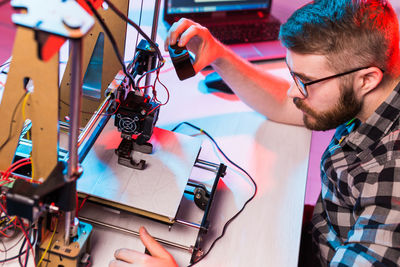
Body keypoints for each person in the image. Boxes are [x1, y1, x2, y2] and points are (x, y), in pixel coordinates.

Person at [110, 0, 400, 266]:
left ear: (367, 79)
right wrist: (218, 54)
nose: (292, 91)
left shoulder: (390, 183)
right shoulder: (372, 90)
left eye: (305, 81)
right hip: (325, 234)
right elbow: (281, 103)